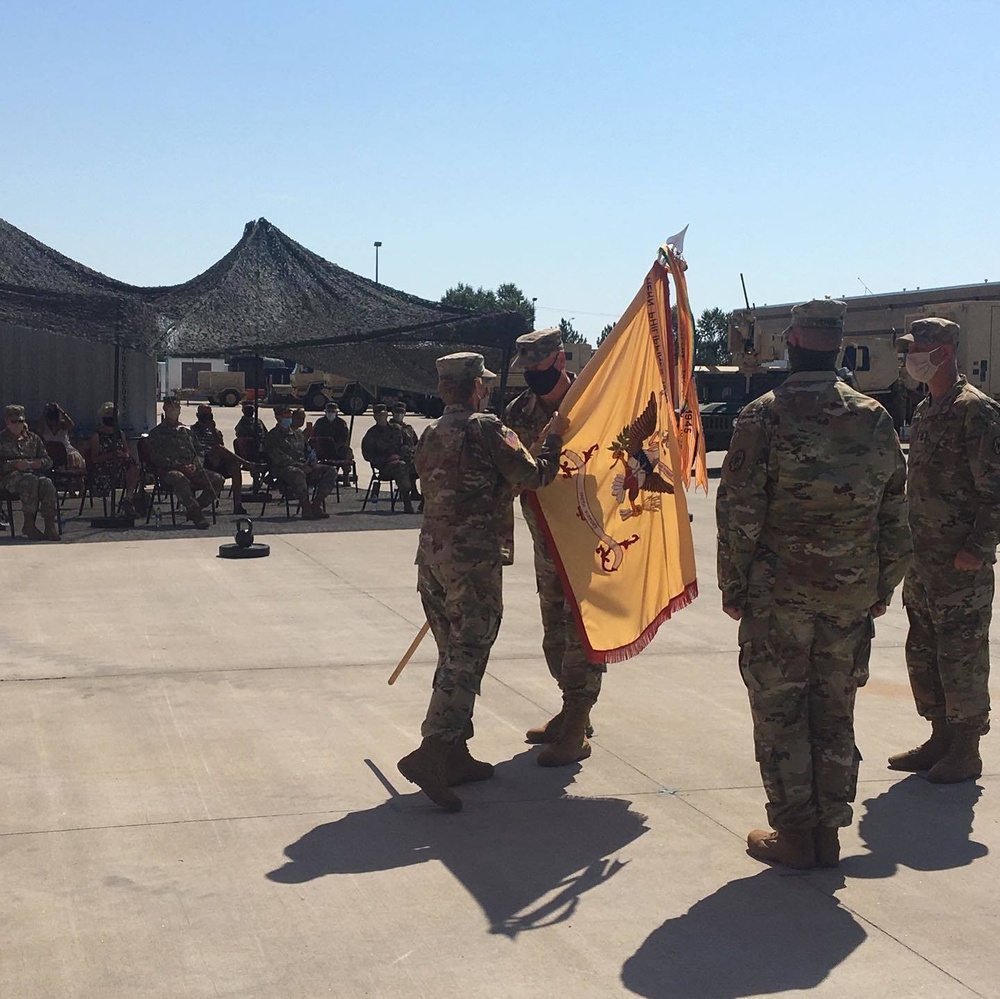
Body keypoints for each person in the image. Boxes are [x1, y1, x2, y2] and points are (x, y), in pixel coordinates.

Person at [716, 299, 911, 870]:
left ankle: (796, 833)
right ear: (837, 344)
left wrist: (733, 586)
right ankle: (828, 831)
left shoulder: (763, 415)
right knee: (834, 709)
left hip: (779, 596)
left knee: (781, 710)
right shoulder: (873, 417)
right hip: (849, 596)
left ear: (792, 343)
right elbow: (895, 513)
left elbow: (740, 513)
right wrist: (881, 586)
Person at [396, 352, 568, 812]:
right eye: (484, 384)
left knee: (452, 655)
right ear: (475, 387)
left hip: (432, 561)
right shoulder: (488, 428)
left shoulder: (431, 432)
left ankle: (455, 753)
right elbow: (535, 476)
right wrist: (552, 442)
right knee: (466, 657)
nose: (488, 390)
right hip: (472, 563)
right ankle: (433, 750)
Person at [888, 317, 1000, 783]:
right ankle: (940, 735)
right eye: (910, 348)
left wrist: (978, 546)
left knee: (961, 653)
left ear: (947, 349)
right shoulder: (924, 410)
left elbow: (995, 489)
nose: (913, 356)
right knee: (925, 651)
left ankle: (966, 748)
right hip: (924, 561)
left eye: (921, 347)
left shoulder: (976, 410)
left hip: (960, 564)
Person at [504, 327, 604, 766]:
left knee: (580, 634)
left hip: (585, 536)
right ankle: (570, 711)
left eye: (538, 365)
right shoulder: (517, 411)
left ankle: (578, 726)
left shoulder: (592, 403)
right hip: (544, 538)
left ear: (560, 360)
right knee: (553, 637)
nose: (530, 374)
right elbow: (512, 470)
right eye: (525, 366)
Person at [145, 397, 223, 529]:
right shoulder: (156, 433)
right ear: (164, 408)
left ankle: (193, 508)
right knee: (179, 478)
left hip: (192, 470)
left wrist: (194, 465)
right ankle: (197, 515)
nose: (174, 410)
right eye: (171, 407)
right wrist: (178, 466)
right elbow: (156, 457)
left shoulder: (186, 431)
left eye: (177, 407)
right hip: (169, 472)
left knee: (217, 479)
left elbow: (199, 451)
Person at [262, 404, 338, 519]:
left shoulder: (298, 434)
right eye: (285, 415)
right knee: (297, 473)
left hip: (305, 466)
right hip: (284, 469)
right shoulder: (273, 436)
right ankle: (306, 508)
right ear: (278, 417)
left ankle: (316, 505)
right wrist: (301, 466)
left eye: (289, 415)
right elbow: (278, 457)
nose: (288, 417)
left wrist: (312, 462)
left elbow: (308, 451)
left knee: (330, 471)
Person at [0, 404, 60, 541]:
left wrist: (38, 463)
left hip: (32, 472)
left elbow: (48, 460)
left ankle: (49, 525)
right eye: (13, 422)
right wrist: (13, 464)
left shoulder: (33, 439)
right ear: (7, 421)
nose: (17, 425)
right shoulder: (1, 440)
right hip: (8, 477)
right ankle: (29, 523)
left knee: (47, 483)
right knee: (30, 481)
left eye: (20, 421)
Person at [191, 403, 250, 515]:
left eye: (209, 414)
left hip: (217, 462)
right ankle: (246, 463)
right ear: (198, 415)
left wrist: (212, 430)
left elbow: (221, 447)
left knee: (234, 466)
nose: (207, 417)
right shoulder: (192, 431)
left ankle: (237, 504)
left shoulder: (215, 431)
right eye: (204, 414)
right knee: (217, 449)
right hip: (202, 462)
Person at [89, 402, 143, 516]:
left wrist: (123, 454)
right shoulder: (97, 435)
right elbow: (94, 458)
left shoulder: (119, 433)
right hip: (104, 468)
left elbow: (126, 450)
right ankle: (128, 500)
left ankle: (128, 498)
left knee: (134, 466)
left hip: (121, 464)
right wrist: (111, 455)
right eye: (108, 415)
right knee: (129, 468)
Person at [361, 404, 414, 513]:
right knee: (400, 466)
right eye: (379, 416)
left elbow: (410, 444)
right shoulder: (371, 434)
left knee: (424, 465)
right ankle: (407, 502)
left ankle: (424, 502)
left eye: (384, 415)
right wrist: (387, 459)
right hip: (385, 467)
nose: (382, 418)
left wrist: (400, 455)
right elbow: (368, 455)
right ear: (375, 417)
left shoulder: (398, 429)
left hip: (403, 460)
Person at [310, 401, 354, 482]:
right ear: (325, 412)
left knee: (347, 451)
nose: (331, 413)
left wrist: (337, 446)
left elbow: (344, 438)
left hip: (338, 448)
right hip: (324, 449)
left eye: (333, 412)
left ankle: (346, 475)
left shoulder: (341, 423)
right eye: (329, 411)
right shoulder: (320, 422)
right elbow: (316, 436)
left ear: (336, 412)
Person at [36, 402, 85, 470]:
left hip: (66, 451)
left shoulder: (63, 425)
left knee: (72, 457)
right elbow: (38, 430)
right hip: (51, 452)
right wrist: (44, 412)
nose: (53, 422)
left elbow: (71, 424)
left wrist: (60, 410)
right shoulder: (45, 428)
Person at [390, 401, 421, 501]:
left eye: (402, 412)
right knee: (406, 464)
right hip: (396, 457)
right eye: (397, 412)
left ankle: (417, 492)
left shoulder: (408, 428)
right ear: (393, 413)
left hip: (411, 456)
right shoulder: (389, 428)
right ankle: (408, 491)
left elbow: (416, 442)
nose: (399, 414)